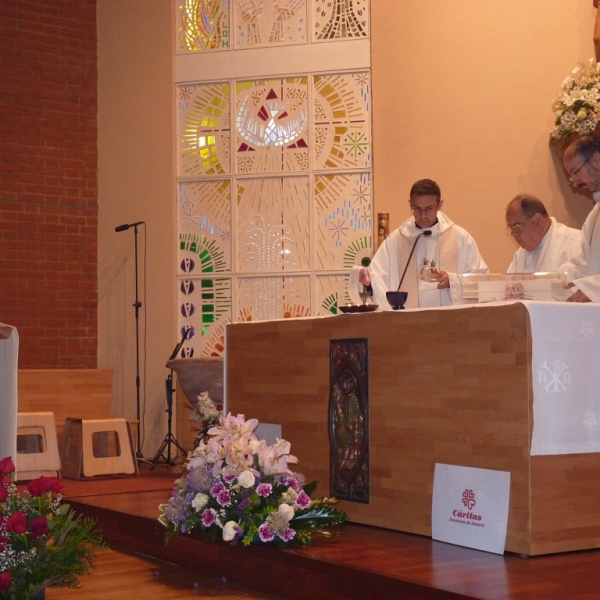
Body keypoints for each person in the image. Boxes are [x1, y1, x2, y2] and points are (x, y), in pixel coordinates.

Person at [357, 179, 488, 310]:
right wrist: (368, 282)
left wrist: (453, 281)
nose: (423, 215)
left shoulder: (460, 238)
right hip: (410, 323)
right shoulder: (396, 240)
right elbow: (377, 277)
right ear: (410, 205)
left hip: (449, 324)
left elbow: (481, 280)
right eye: (417, 209)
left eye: (429, 209)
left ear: (440, 205)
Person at [561, 134, 600, 302]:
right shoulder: (594, 216)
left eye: (576, 172)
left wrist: (593, 288)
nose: (574, 183)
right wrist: (550, 283)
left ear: (597, 160)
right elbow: (578, 265)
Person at [505, 194, 582, 273]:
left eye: (516, 227)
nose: (513, 233)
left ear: (538, 221)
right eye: (511, 228)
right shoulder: (520, 255)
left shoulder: (577, 244)